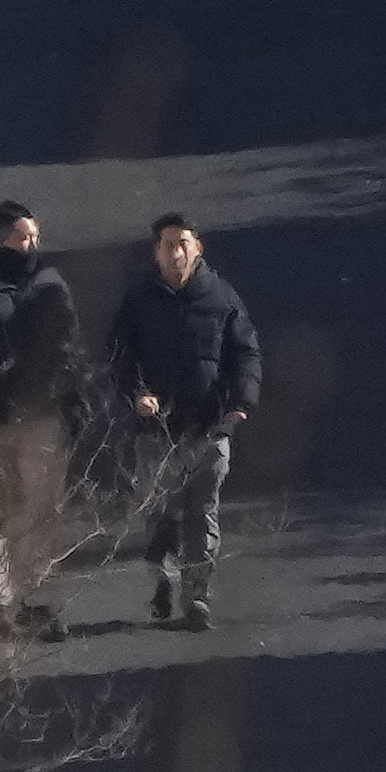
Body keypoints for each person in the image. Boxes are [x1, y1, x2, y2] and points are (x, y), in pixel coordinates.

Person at [105, 210, 263, 627]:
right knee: (159, 514)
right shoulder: (139, 300)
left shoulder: (222, 297)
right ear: (156, 252)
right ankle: (163, 578)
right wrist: (137, 395)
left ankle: (197, 597)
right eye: (167, 245)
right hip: (156, 434)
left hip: (209, 427)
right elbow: (119, 356)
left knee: (202, 513)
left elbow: (245, 354)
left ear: (198, 248)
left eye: (183, 244)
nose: (175, 252)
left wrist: (241, 403)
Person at [0, 201, 79, 633]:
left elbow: (67, 349)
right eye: (23, 237)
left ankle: (33, 600)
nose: (32, 244)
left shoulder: (49, 283)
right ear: (0, 238)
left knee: (41, 511)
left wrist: (68, 399)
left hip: (40, 416)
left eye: (35, 237)